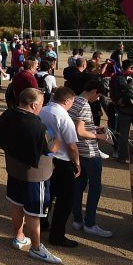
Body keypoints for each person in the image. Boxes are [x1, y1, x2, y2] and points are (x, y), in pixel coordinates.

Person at [0, 88, 61, 264]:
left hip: (14, 169)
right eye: (41, 104)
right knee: (34, 212)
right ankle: (36, 247)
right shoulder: (37, 125)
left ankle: (18, 236)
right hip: (35, 175)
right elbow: (50, 148)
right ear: (33, 105)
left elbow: (0, 137)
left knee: (16, 204)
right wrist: (59, 138)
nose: (42, 107)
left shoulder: (7, 115)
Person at [68, 79, 112, 237]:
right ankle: (90, 223)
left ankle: (77, 219)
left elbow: (76, 126)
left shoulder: (72, 100)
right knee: (95, 187)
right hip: (89, 151)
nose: (98, 99)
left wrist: (93, 127)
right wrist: (99, 136)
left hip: (76, 150)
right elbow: (80, 130)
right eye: (98, 95)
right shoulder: (85, 105)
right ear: (94, 92)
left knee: (79, 185)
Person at [39, 87, 82, 248]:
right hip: (62, 161)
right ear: (66, 101)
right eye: (71, 102)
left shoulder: (42, 110)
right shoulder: (64, 118)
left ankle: (42, 223)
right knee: (65, 200)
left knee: (48, 194)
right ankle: (57, 235)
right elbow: (71, 146)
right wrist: (77, 163)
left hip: (46, 159)